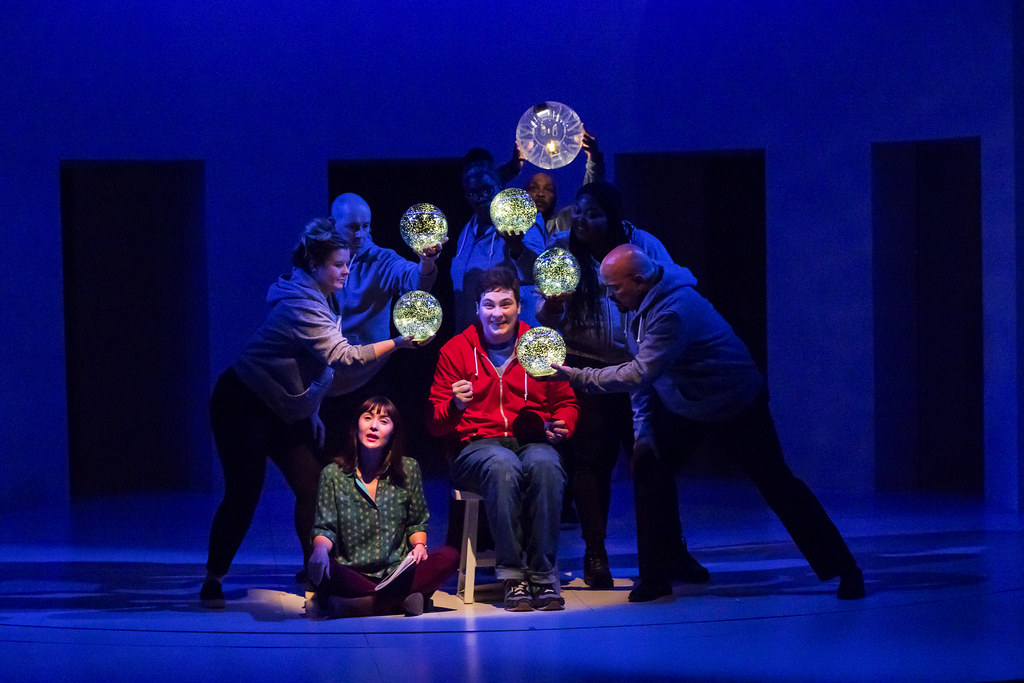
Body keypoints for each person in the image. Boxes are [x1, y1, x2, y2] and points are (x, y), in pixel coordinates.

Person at [551, 244, 865, 602]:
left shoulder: (674, 311)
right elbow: (643, 377)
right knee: (650, 468)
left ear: (639, 280)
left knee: (779, 485)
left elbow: (639, 373)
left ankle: (845, 569)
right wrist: (645, 434)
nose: (610, 295)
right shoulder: (634, 302)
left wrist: (577, 377)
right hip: (686, 405)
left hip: (735, 403)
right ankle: (658, 575)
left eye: (614, 287)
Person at [201, 218, 428, 608]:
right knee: (244, 492)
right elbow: (342, 356)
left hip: (284, 409)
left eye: (348, 263)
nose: (346, 271)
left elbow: (311, 364)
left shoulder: (324, 294)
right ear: (315, 264)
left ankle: (317, 571)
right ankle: (214, 577)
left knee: (313, 485)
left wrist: (312, 408)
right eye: (339, 264)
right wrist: (398, 342)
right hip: (243, 402)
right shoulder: (300, 303)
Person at [536, 181, 706, 591]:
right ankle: (596, 554)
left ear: (612, 216)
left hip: (638, 369)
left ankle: (670, 550)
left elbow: (677, 284)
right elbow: (543, 316)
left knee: (651, 461)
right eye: (579, 213)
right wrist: (552, 307)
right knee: (591, 464)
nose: (582, 221)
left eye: (592, 214)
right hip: (587, 367)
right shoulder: (562, 251)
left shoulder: (642, 244)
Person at [427, 266, 579, 611]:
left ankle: (541, 575)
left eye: (506, 304)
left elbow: (566, 402)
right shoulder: (455, 351)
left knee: (545, 465)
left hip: (530, 440)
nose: (498, 313)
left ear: (519, 306)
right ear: (477, 309)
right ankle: (513, 577)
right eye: (489, 305)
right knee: (502, 463)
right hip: (476, 449)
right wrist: (453, 406)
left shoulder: (539, 345)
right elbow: (435, 424)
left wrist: (563, 424)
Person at [306, 396, 459, 618]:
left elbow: (416, 521)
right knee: (323, 570)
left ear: (393, 432)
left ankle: (355, 606)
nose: (374, 426)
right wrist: (319, 551)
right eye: (367, 418)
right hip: (351, 572)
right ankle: (402, 600)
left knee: (450, 556)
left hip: (397, 571)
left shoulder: (408, 469)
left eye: (384, 421)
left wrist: (419, 547)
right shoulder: (332, 474)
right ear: (356, 426)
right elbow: (324, 527)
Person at [317, 193, 443, 455]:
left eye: (366, 226)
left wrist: (426, 262)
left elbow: (414, 282)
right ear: (333, 224)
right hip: (325, 384)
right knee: (330, 465)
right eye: (353, 227)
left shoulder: (381, 259)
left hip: (368, 380)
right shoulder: (321, 262)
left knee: (371, 462)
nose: (361, 234)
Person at [449, 156, 547, 333]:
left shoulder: (522, 219)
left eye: (487, 190)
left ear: (499, 188)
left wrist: (517, 248)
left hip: (515, 335)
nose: (482, 198)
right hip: (474, 339)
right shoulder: (466, 232)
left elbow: (539, 273)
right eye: (474, 193)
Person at [523, 129, 605, 237]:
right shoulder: (511, 229)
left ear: (556, 197)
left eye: (548, 189)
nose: (540, 194)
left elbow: (590, 195)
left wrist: (593, 159)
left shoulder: (564, 222)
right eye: (534, 188)